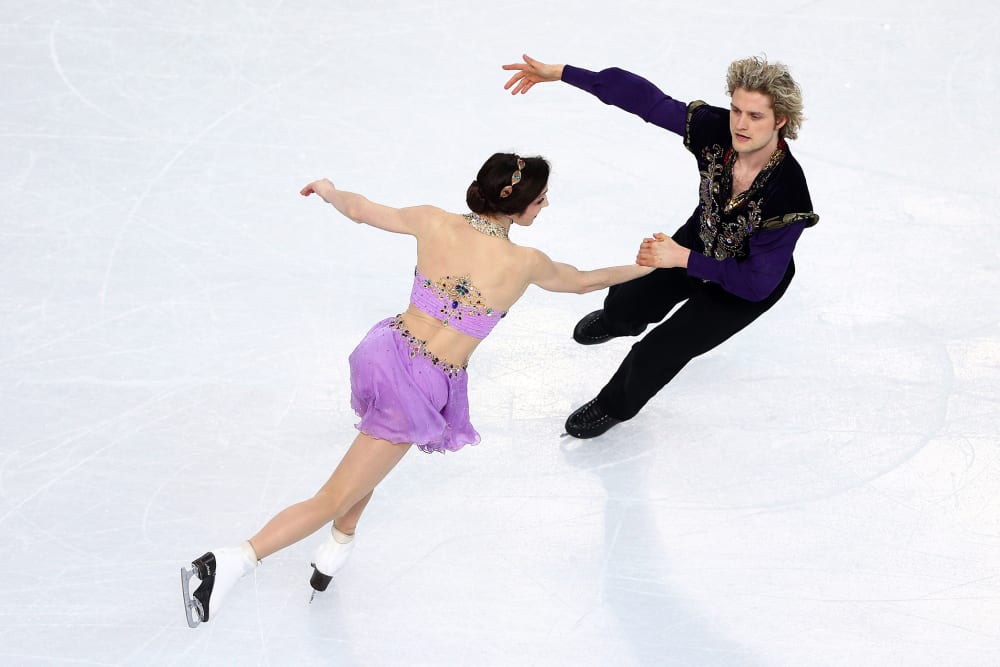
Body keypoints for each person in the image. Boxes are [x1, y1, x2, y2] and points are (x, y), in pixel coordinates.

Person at [179, 152, 653, 627]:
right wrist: (652, 266)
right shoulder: (525, 262)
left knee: (369, 460)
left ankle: (338, 546)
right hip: (423, 383)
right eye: (542, 197)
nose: (545, 204)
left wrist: (328, 189)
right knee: (334, 495)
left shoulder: (435, 222)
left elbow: (362, 209)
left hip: (385, 351)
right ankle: (230, 562)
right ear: (518, 204)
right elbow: (588, 282)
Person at [502, 54, 819, 439]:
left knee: (660, 350)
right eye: (736, 109)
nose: (740, 123)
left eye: (755, 116)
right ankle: (618, 320)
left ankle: (613, 405)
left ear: (780, 121)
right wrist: (563, 73)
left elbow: (756, 284)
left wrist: (683, 258)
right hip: (698, 240)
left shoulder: (788, 196)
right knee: (627, 302)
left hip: (748, 281)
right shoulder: (717, 130)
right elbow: (646, 100)